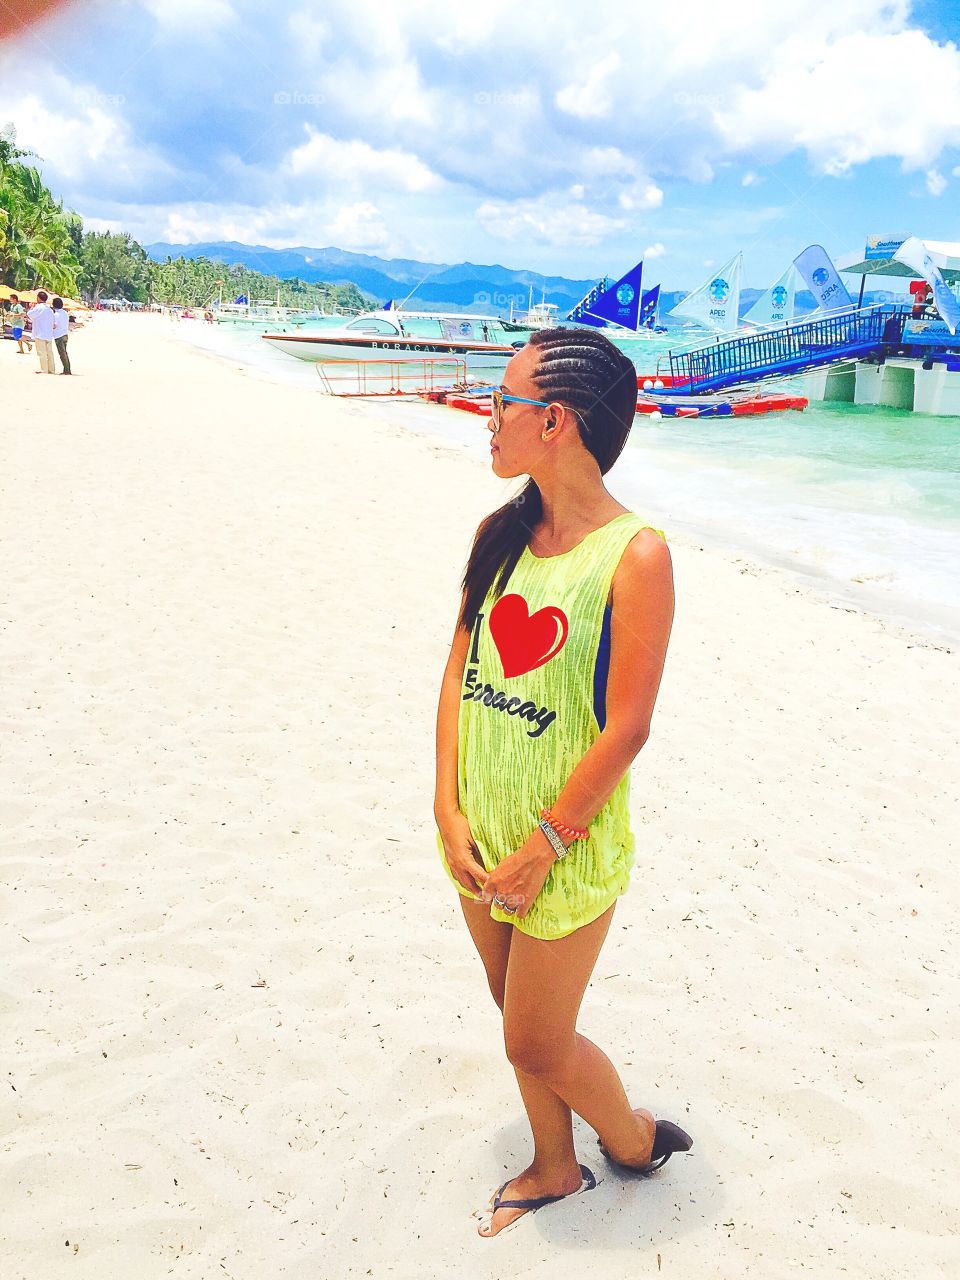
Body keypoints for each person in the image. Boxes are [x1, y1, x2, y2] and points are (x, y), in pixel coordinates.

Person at [434, 328, 692, 1239]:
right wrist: (447, 804)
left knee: (536, 1036)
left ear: (555, 421)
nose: (487, 415)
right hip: (479, 830)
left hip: (562, 847)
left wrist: (545, 845)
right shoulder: (499, 535)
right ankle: (553, 1165)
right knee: (515, 1014)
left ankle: (627, 1139)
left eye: (501, 401)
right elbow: (458, 672)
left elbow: (628, 727)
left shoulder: (637, 556)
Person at [27, 289, 55, 374]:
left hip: (40, 333)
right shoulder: (49, 309)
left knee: (42, 352)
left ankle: (44, 369)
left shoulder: (38, 308)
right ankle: (52, 369)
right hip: (48, 333)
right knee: (49, 353)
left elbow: (30, 314)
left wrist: (31, 307)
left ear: (39, 298)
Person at [51, 297, 71, 374]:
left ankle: (67, 370)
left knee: (62, 354)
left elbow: (54, 325)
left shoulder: (56, 315)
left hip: (59, 336)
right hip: (65, 334)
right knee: (64, 353)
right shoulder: (65, 313)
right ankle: (67, 369)